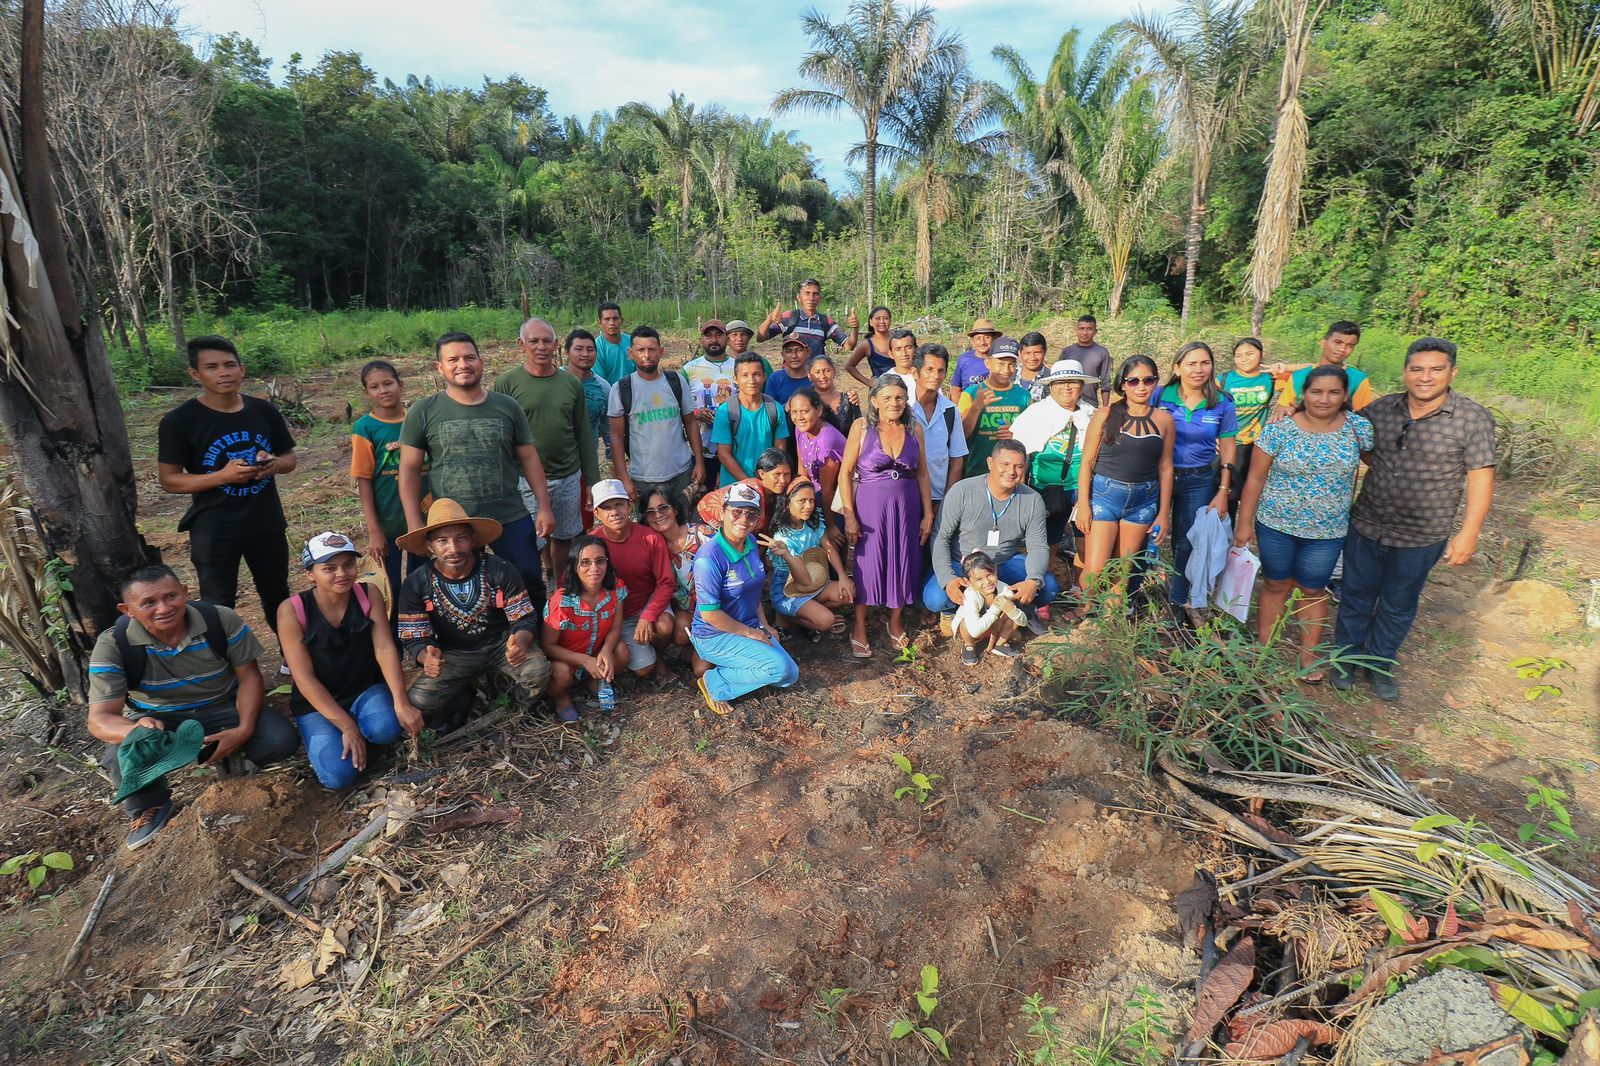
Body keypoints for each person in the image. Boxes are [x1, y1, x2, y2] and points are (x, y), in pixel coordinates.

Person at [87, 564, 299, 849]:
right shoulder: (114, 643)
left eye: (171, 596)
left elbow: (249, 677)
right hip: (157, 715)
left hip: (221, 704)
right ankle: (149, 806)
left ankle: (235, 756)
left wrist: (244, 727)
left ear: (185, 593)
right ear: (127, 610)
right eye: (148, 602)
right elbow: (100, 718)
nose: (163, 608)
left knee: (280, 739)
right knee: (120, 755)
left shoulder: (220, 620)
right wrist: (134, 729)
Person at [1332, 337, 1495, 700]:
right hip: (1367, 522)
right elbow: (1349, 437)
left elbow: (1481, 478)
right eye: (1417, 369)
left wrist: (1469, 533)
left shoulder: (1471, 419)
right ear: (1405, 372)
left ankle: (1379, 664)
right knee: (1356, 595)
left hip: (1422, 533)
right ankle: (1345, 660)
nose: (1425, 377)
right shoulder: (1381, 410)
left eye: (1436, 369)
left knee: (1399, 601)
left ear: (1452, 372)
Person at [1234, 367, 1374, 681]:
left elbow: (1379, 464)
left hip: (1328, 530)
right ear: (1303, 394)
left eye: (1333, 392)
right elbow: (1255, 479)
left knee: (1313, 588)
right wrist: (1244, 523)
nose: (1324, 399)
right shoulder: (1278, 430)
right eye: (1316, 392)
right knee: (1275, 584)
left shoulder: (1357, 429)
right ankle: (1263, 646)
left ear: (1345, 395)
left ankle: (1308, 653)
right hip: (1276, 524)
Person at [399, 332, 554, 603]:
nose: (463, 364)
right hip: (451, 522)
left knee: (528, 578)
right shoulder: (424, 411)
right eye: (453, 359)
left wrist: (543, 506)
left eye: (469, 357)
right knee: (450, 586)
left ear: (481, 362)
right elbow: (410, 470)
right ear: (440, 367)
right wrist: (414, 522)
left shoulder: (507, 407)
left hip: (508, 514)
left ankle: (539, 637)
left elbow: (529, 458)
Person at [156, 335, 297, 634]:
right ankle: (224, 668)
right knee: (218, 603)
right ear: (196, 374)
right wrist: (222, 477)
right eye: (212, 367)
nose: (224, 372)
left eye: (230, 365)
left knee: (277, 593)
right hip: (215, 527)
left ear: (242, 369)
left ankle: (292, 658)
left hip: (266, 520)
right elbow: (169, 479)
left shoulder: (263, 411)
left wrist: (273, 464)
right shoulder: (180, 421)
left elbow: (289, 459)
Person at [278, 533, 422, 790]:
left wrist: (401, 702)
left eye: (348, 565)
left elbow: (384, 648)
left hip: (365, 687)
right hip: (317, 703)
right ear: (310, 573)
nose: (342, 573)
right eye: (329, 568)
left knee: (386, 729)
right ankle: (347, 731)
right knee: (337, 777)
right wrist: (347, 726)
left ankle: (364, 731)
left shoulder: (369, 594)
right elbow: (304, 679)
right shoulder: (292, 611)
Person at [396, 498, 550, 730]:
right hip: (454, 654)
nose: (453, 548)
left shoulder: (500, 569)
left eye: (461, 538)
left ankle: (517, 708)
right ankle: (464, 697)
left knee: (538, 671)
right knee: (420, 701)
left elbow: (524, 618)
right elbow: (414, 637)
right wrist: (426, 658)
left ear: (473, 540)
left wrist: (520, 640)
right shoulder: (416, 583)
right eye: (442, 541)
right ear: (430, 547)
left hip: (501, 645)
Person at [494, 317, 601, 578]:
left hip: (567, 475)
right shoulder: (506, 385)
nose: (541, 347)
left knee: (566, 535)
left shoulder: (570, 384)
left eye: (546, 341)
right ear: (521, 344)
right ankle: (541, 577)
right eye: (534, 341)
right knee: (532, 537)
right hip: (524, 479)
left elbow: (583, 434)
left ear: (555, 345)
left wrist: (591, 481)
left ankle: (560, 583)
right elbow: (501, 439)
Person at [840, 376, 933, 656]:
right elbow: (845, 473)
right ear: (874, 401)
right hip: (869, 508)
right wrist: (849, 516)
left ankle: (895, 621)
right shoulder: (862, 427)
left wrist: (927, 513)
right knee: (868, 565)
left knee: (904, 559)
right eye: (888, 398)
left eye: (900, 398)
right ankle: (859, 625)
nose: (894, 403)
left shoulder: (914, 429)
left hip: (907, 507)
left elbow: (923, 474)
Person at [689, 482, 800, 717]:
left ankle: (740, 663)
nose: (743, 519)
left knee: (790, 675)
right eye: (736, 511)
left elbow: (752, 592)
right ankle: (715, 682)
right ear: (722, 513)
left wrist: (765, 626)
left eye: (751, 514)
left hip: (748, 624)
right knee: (776, 667)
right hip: (715, 634)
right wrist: (751, 634)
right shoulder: (708, 559)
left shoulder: (750, 543)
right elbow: (710, 614)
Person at [1074, 356, 1176, 608]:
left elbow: (1165, 468)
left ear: (1155, 383)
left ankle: (1112, 623)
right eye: (1133, 381)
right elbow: (1086, 462)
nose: (1141, 386)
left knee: (1123, 568)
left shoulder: (1164, 420)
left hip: (1143, 501)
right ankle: (1086, 610)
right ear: (1123, 384)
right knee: (1096, 568)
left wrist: (1164, 514)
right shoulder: (1105, 414)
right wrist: (1083, 505)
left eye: (1148, 380)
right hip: (1104, 496)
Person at [924, 441, 1057, 628]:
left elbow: (1038, 546)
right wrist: (948, 579)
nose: (1011, 471)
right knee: (935, 598)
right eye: (1004, 464)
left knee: (1048, 587)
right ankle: (951, 611)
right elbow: (941, 537)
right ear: (990, 463)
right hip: (963, 564)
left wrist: (1033, 580)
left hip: (1003, 563)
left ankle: (1008, 609)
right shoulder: (962, 491)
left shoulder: (1032, 500)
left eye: (1018, 466)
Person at [1155, 342, 1239, 613]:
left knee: (1186, 541)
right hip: (1156, 476)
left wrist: (1223, 490)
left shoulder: (1222, 402)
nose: (1198, 369)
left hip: (1199, 479)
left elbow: (1227, 447)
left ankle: (1177, 601)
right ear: (1177, 368)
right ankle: (1132, 593)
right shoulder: (1159, 396)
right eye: (1191, 364)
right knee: (1147, 534)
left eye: (1204, 363)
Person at [1010, 359, 1099, 576]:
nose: (1066, 387)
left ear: (1081, 385)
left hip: (1082, 490)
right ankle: (1043, 593)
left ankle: (1079, 591)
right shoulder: (1036, 414)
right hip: (1046, 489)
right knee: (1047, 545)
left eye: (1073, 382)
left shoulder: (1091, 415)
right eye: (1060, 382)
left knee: (1085, 542)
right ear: (1051, 386)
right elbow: (1019, 454)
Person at [589, 478, 677, 683]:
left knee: (664, 626)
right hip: (616, 614)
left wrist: (648, 615)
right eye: (606, 507)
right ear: (596, 513)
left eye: (619, 504)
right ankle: (641, 656)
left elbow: (665, 581)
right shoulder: (592, 544)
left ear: (629, 505)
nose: (614, 512)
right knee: (643, 669)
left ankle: (660, 655)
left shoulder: (650, 537)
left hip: (647, 603)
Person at [352, 359, 428, 594]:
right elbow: (364, 479)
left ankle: (421, 628)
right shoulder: (365, 427)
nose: (383, 390)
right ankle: (393, 629)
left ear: (400, 384)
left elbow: (436, 461)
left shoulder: (418, 418)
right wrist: (374, 530)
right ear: (367, 392)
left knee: (423, 579)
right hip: (388, 519)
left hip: (423, 517)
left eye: (388, 383)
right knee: (390, 587)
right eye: (375, 387)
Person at [607, 325, 704, 508]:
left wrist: (699, 462)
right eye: (640, 350)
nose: (647, 355)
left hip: (681, 474)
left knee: (683, 525)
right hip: (644, 479)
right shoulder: (621, 389)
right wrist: (624, 479)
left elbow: (690, 423)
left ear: (661, 352)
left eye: (652, 349)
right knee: (651, 530)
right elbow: (616, 436)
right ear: (630, 353)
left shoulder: (676, 381)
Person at [541, 534, 627, 725]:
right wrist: (584, 660)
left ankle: (593, 681)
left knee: (620, 651)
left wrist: (605, 650)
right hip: (567, 660)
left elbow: (616, 627)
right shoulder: (562, 601)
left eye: (600, 561)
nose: (594, 569)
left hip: (595, 653)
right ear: (574, 566)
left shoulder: (616, 587)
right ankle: (560, 696)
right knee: (562, 673)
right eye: (585, 562)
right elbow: (547, 646)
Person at [758, 480, 854, 639]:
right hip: (788, 588)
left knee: (846, 592)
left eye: (811, 500)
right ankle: (787, 618)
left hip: (813, 579)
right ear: (787, 504)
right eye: (802, 501)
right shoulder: (784, 538)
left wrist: (843, 576)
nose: (808, 506)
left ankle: (804, 613)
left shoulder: (813, 521)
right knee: (826, 621)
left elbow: (828, 547)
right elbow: (802, 578)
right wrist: (787, 554)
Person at [908, 344, 969, 531]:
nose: (935, 375)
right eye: (929, 369)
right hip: (906, 493)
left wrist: (946, 501)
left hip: (938, 495)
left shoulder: (950, 410)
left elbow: (957, 459)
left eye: (941, 371)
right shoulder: (902, 408)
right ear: (914, 372)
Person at [642, 488, 705, 660]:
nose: (658, 515)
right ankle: (691, 645)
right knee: (680, 635)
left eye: (663, 508)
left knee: (701, 669)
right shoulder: (652, 548)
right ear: (646, 520)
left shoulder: (701, 535)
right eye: (650, 512)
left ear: (675, 509)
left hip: (717, 606)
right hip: (687, 610)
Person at [712, 353, 791, 486]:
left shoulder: (774, 409)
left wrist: (765, 482)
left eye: (757, 374)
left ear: (764, 377)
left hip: (767, 486)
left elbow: (780, 452)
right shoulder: (726, 411)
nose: (752, 380)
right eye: (745, 375)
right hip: (734, 487)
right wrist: (749, 482)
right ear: (735, 379)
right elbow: (724, 455)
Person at [1270, 321, 1374, 420]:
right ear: (1323, 343)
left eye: (1349, 346)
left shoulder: (1358, 379)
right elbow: (1282, 409)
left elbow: (1365, 416)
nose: (1342, 349)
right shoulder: (1299, 376)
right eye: (1338, 342)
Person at [1220, 337, 1276, 517]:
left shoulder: (1270, 379)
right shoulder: (1224, 379)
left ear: (1261, 355)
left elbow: (1312, 370)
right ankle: (1224, 536)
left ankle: (1242, 537)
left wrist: (1284, 368)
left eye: (1250, 354)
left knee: (1249, 492)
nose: (1244, 359)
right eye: (1238, 355)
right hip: (1228, 444)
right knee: (1227, 493)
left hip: (1255, 446)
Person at [958, 336, 1033, 470]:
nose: (1006, 370)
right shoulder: (971, 394)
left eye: (1011, 364)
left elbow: (1033, 437)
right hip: (977, 472)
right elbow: (960, 437)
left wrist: (1015, 436)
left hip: (1011, 474)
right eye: (1000, 363)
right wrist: (976, 407)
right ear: (988, 363)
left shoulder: (1024, 397)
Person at [952, 551, 1030, 664]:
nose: (987, 581)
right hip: (974, 629)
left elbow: (1023, 622)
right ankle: (969, 645)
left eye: (989, 575)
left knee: (1013, 613)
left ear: (996, 570)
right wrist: (995, 609)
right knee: (964, 623)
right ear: (968, 582)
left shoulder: (1004, 589)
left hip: (993, 626)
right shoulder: (970, 595)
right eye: (979, 579)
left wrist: (1011, 610)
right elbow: (974, 631)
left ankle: (999, 644)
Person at [697, 448, 794, 534]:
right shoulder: (751, 492)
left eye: (786, 474)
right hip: (706, 524)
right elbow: (742, 527)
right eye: (777, 474)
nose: (783, 480)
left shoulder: (780, 493)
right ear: (762, 474)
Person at [787, 387, 846, 528]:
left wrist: (830, 527)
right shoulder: (800, 429)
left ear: (819, 410)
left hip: (838, 503)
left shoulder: (827, 440)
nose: (799, 417)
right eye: (794, 412)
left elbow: (828, 489)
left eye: (805, 411)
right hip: (814, 496)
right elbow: (803, 471)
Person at [755, 277, 858, 358]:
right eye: (807, 293)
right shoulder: (789, 317)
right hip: (791, 376)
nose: (811, 298)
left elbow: (849, 346)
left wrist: (855, 329)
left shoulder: (826, 321)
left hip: (815, 377)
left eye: (815, 294)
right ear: (799, 297)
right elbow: (760, 338)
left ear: (819, 298)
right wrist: (769, 319)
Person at [683, 320, 736, 459]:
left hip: (735, 442)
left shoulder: (739, 366)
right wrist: (695, 412)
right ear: (702, 340)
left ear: (727, 338)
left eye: (719, 335)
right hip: (701, 446)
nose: (714, 340)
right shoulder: (689, 369)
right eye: (708, 336)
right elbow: (676, 402)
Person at [563, 328, 612, 458]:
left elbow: (607, 429)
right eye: (578, 349)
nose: (585, 354)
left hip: (587, 462)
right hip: (552, 465)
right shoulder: (553, 380)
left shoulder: (603, 387)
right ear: (567, 351)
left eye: (590, 349)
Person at [808, 353, 862, 436]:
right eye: (817, 372)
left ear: (834, 371)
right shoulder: (805, 401)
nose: (822, 376)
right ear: (809, 376)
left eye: (827, 371)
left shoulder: (849, 400)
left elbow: (859, 431)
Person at [1064, 315, 1112, 405]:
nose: (1085, 333)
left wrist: (1105, 408)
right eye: (1081, 329)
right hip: (1068, 403)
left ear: (1095, 331)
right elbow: (1058, 379)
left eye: (1089, 329)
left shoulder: (1102, 352)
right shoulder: (1067, 352)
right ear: (1076, 331)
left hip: (1090, 403)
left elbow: (1105, 382)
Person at [845, 305, 895, 386]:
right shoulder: (867, 345)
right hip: (879, 392)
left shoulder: (899, 340)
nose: (882, 321)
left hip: (902, 389)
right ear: (871, 322)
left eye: (885, 318)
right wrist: (868, 382)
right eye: (878, 318)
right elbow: (849, 366)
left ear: (890, 321)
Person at [765, 334, 818, 405]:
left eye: (799, 350)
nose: (794, 356)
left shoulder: (817, 377)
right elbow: (770, 409)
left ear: (808, 352)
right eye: (788, 351)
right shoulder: (775, 379)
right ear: (782, 354)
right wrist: (786, 407)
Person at [952, 318, 1001, 391]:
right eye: (978, 338)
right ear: (972, 341)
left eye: (987, 337)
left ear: (994, 339)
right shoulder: (964, 360)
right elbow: (956, 390)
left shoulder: (1001, 359)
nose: (982, 342)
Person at [594, 300, 633, 384]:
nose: (612, 323)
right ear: (600, 323)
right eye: (607, 319)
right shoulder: (596, 348)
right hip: (610, 394)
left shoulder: (633, 342)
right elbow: (600, 382)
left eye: (615, 319)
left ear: (621, 321)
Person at [1018, 332, 1051, 398]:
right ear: (1019, 353)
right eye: (1027, 353)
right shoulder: (1009, 376)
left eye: (1037, 353)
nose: (1032, 358)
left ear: (1045, 352)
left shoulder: (1051, 379)